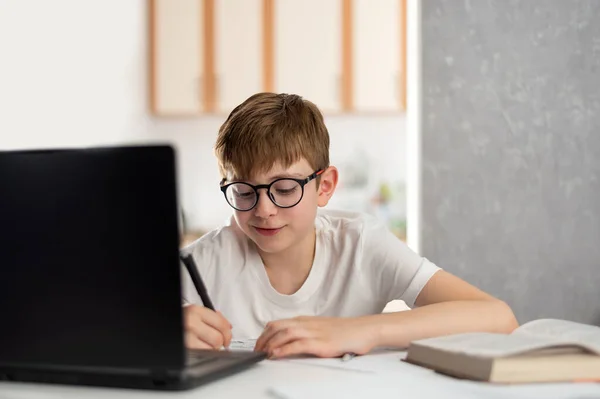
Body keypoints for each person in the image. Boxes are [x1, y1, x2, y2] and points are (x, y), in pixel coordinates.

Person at [181, 92, 518, 359]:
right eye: (243, 192)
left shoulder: (359, 243)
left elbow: (497, 318)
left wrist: (362, 330)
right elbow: (128, 328)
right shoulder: (204, 260)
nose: (264, 209)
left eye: (284, 189)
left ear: (324, 186)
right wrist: (162, 332)